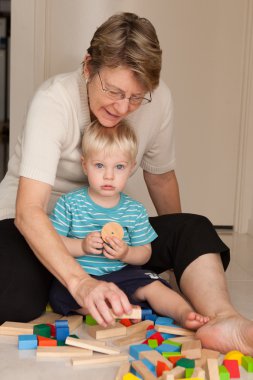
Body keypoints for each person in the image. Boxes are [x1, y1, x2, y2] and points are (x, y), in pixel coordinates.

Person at [0, 12, 252, 354]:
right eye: (114, 91)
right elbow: (29, 213)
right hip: (40, 223)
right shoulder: (53, 101)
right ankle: (73, 285)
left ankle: (222, 319)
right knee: (15, 296)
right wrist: (82, 283)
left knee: (194, 229)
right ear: (89, 66)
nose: (123, 107)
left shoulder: (158, 99)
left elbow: (161, 177)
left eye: (136, 97)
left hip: (109, 227)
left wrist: (175, 260)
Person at [49, 120, 209, 330]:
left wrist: (125, 253)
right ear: (84, 165)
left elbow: (144, 253)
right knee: (59, 292)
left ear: (131, 168)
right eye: (99, 165)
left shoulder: (134, 210)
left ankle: (184, 313)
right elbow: (53, 242)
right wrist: (81, 246)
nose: (109, 175)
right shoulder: (69, 203)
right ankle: (113, 309)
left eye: (119, 167)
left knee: (152, 285)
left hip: (121, 274)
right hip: (82, 275)